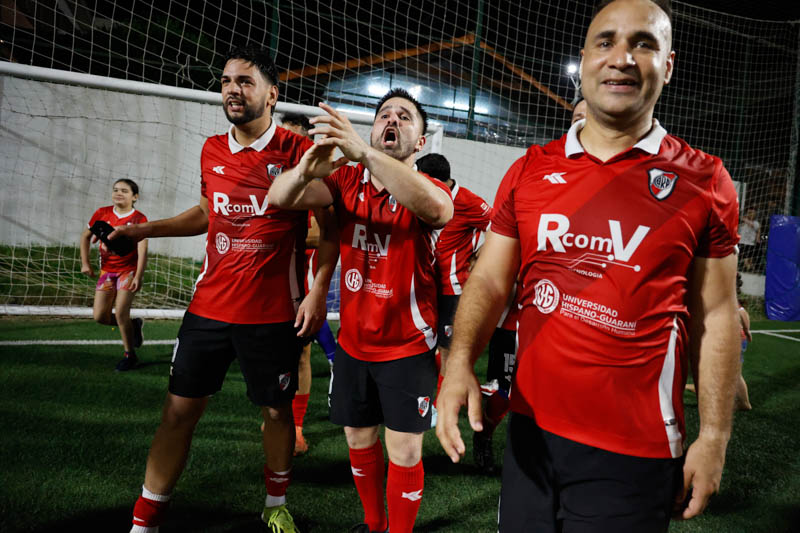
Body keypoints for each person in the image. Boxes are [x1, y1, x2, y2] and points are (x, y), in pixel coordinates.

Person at [436, 1, 742, 531]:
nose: (621, 57)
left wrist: (714, 436)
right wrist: (460, 360)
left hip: (634, 449)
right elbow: (489, 277)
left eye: (643, 43)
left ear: (667, 64)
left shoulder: (705, 180)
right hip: (531, 434)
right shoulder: (530, 169)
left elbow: (717, 314)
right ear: (584, 60)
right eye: (606, 42)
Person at [112, 45, 337, 533]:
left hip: (275, 312)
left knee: (277, 412)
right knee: (177, 413)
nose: (233, 89)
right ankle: (145, 519)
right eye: (226, 81)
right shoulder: (212, 149)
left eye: (245, 81)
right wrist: (144, 231)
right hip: (209, 308)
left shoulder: (299, 153)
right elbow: (206, 213)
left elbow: (331, 226)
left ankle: (275, 503)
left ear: (272, 94)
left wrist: (319, 288)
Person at [268, 88, 453, 533]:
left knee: (405, 452)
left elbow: (439, 210)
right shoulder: (346, 182)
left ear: (421, 142)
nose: (392, 120)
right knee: (358, 438)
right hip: (354, 343)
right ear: (372, 127)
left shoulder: (427, 186)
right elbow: (279, 198)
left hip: (408, 346)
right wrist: (307, 165)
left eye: (405, 117)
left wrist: (365, 154)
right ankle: (373, 525)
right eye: (384, 114)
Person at [277, 111, 340, 456]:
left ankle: (297, 427)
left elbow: (325, 233)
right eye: (282, 136)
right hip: (260, 284)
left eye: (293, 139)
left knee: (301, 353)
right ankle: (277, 416)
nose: (285, 144)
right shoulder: (262, 172)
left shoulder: (317, 182)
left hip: (299, 283)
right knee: (269, 357)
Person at [415, 153, 492, 398]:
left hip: (453, 289)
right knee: (422, 344)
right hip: (424, 285)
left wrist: (480, 256)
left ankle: (440, 404)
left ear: (442, 183)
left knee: (448, 350)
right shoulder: (422, 197)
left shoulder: (468, 201)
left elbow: (499, 227)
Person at [80, 178, 148, 371]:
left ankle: (129, 355)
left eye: (124, 191)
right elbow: (85, 237)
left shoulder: (139, 219)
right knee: (100, 316)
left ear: (135, 197)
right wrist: (85, 263)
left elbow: (143, 250)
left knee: (120, 313)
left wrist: (138, 276)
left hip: (128, 271)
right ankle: (133, 326)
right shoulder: (102, 213)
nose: (119, 193)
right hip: (107, 272)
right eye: (116, 189)